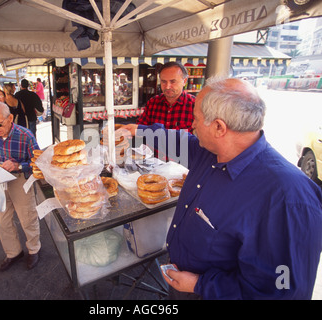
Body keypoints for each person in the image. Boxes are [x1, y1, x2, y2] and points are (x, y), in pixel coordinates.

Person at [119, 77, 322, 300]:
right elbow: (179, 141)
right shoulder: (210, 152)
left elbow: (283, 291)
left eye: (195, 119)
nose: (192, 125)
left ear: (218, 127)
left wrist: (200, 285)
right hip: (181, 286)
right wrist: (139, 130)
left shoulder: (288, 198)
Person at [0, 102, 41, 271]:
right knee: (2, 220)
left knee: (27, 217)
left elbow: (39, 163)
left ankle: (34, 249)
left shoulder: (26, 135)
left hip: (20, 179)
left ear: (10, 118)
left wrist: (19, 166)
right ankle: (13, 252)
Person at [137, 61, 195, 134]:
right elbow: (140, 128)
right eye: (164, 82)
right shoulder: (153, 102)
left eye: (173, 81)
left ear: (184, 81)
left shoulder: (195, 105)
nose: (167, 86)